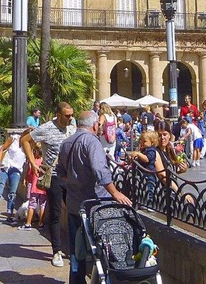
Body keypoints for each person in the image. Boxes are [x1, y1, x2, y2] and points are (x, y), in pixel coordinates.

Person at [56, 110, 131, 283]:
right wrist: (115, 192)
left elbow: (60, 171)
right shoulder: (91, 141)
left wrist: (75, 181)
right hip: (95, 205)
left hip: (74, 203)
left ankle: (76, 280)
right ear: (95, 125)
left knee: (77, 249)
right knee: (104, 248)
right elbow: (100, 170)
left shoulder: (66, 142)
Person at [20, 102, 76, 268]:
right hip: (54, 176)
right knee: (56, 213)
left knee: (76, 211)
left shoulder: (72, 126)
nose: (70, 118)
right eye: (67, 115)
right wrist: (32, 162)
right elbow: (25, 140)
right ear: (58, 115)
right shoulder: (46, 128)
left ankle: (76, 248)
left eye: (72, 115)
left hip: (71, 176)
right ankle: (57, 251)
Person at [0, 129, 27, 227]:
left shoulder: (28, 146)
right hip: (5, 168)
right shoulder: (14, 138)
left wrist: (25, 176)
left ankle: (9, 216)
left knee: (12, 194)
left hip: (17, 170)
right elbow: (2, 149)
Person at [19, 144, 47, 231]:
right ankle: (41, 223)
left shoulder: (33, 162)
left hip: (34, 187)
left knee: (31, 205)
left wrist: (25, 180)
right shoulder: (45, 162)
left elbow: (29, 174)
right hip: (43, 187)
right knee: (43, 205)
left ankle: (28, 223)